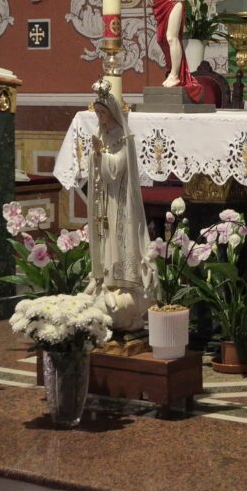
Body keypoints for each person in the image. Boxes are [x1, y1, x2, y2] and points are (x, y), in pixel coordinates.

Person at [85, 82, 154, 331]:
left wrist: (101, 155)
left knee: (118, 236)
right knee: (105, 236)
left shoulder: (124, 136)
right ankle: (105, 278)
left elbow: (116, 168)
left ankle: (122, 283)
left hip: (120, 200)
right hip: (105, 198)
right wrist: (95, 155)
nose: (99, 117)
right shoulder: (102, 133)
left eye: (102, 112)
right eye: (97, 113)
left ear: (112, 112)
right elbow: (97, 166)